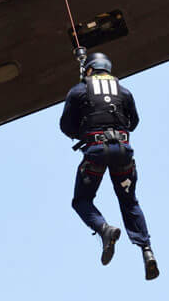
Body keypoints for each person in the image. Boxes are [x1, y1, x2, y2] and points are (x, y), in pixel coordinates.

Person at [60, 52, 159, 280]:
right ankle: (147, 250)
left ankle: (104, 229)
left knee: (82, 200)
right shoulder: (124, 91)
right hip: (123, 154)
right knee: (129, 201)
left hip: (95, 152)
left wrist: (84, 132)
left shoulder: (78, 90)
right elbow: (133, 123)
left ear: (89, 70)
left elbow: (65, 126)